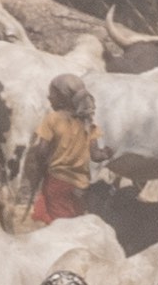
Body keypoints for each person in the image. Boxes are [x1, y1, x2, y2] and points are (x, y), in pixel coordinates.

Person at [28, 74, 103, 228]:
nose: (49, 98)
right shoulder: (88, 122)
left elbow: (41, 151)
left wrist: (38, 169)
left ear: (63, 98)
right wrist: (106, 153)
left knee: (59, 227)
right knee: (75, 222)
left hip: (57, 182)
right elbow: (96, 155)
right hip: (81, 184)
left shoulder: (52, 119)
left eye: (52, 94)